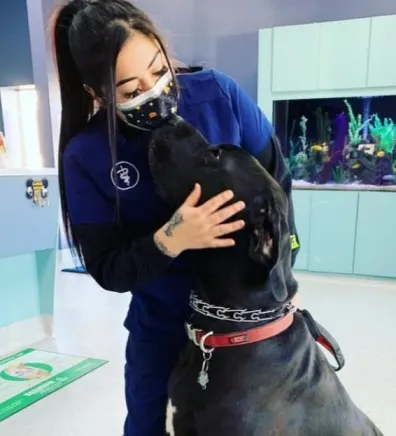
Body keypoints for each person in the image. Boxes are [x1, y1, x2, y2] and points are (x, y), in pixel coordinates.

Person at [51, 1, 300, 435]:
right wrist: (171, 238)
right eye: (130, 91)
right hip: (162, 322)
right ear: (98, 94)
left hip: (249, 317)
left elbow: (277, 191)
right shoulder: (86, 156)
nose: (154, 92)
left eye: (158, 70)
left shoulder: (219, 95)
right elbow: (108, 267)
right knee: (148, 423)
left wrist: (283, 281)